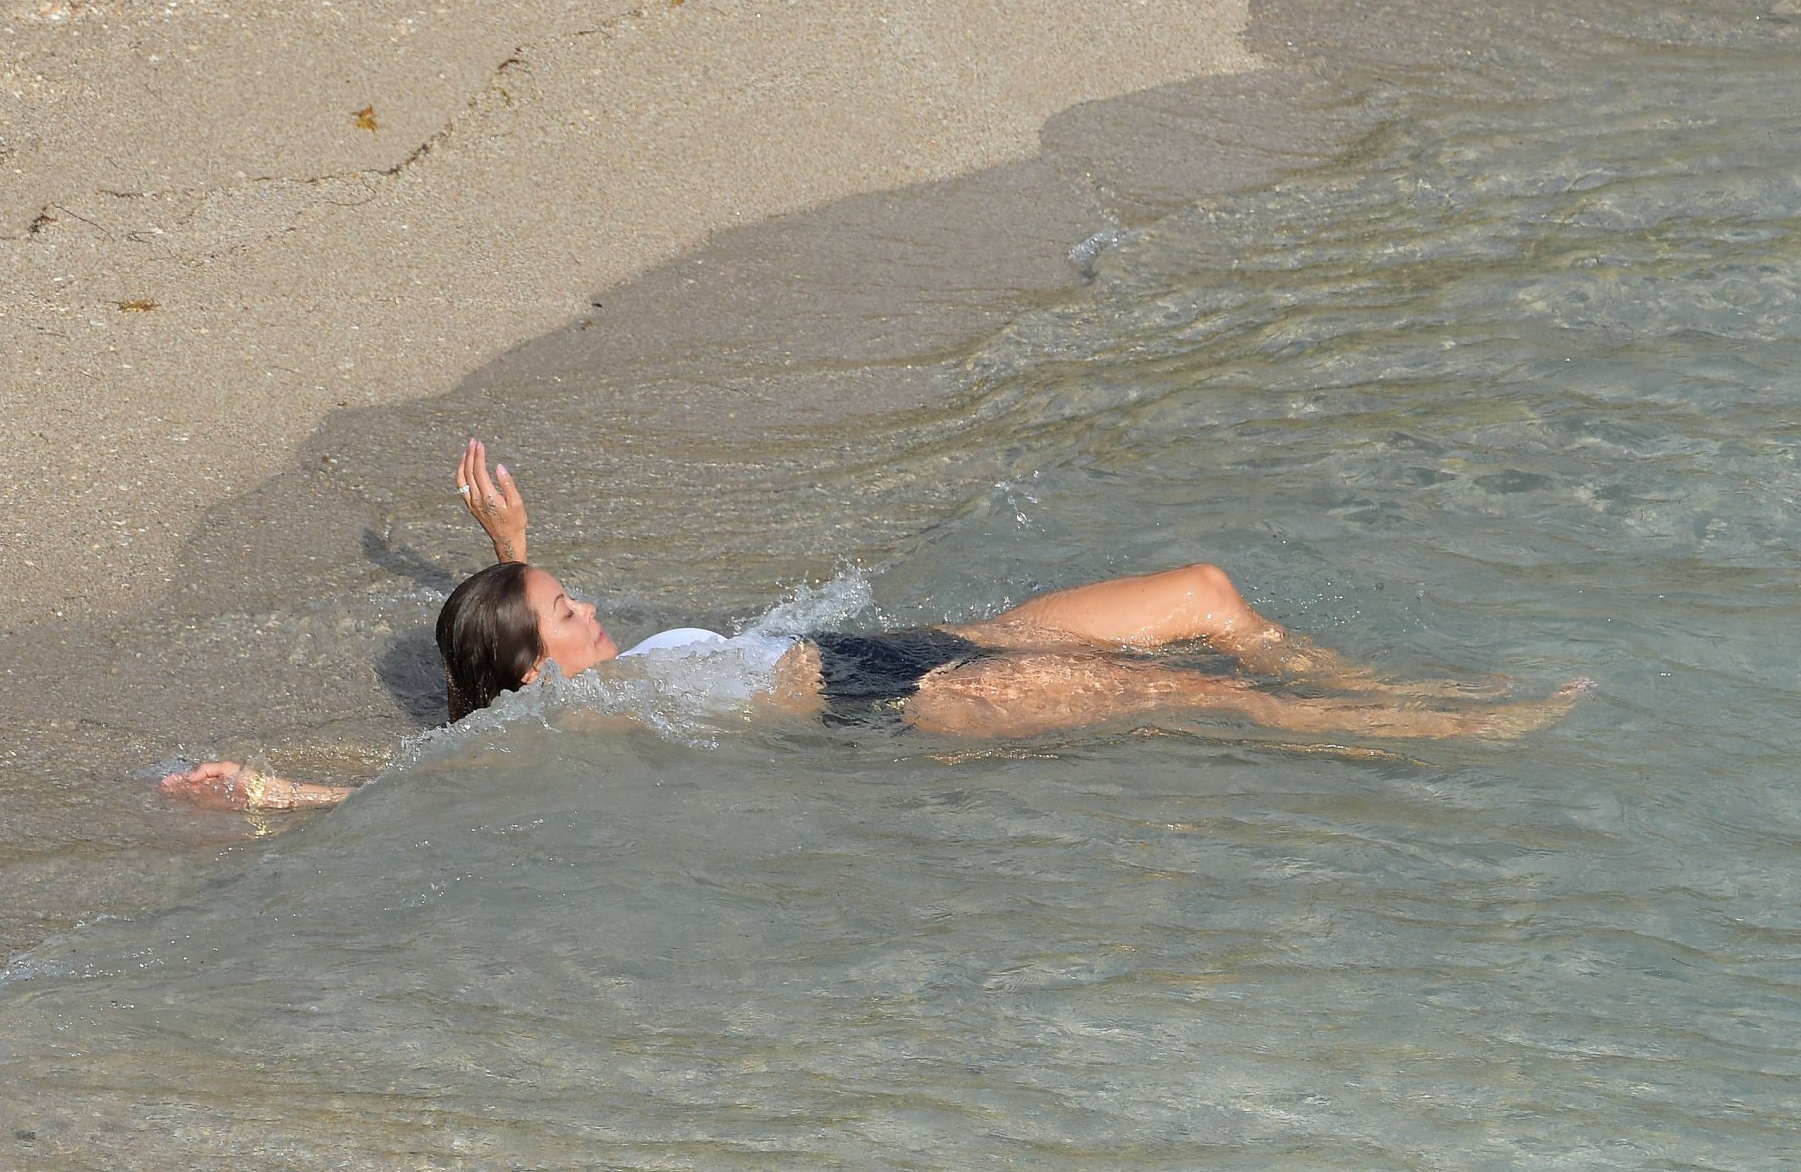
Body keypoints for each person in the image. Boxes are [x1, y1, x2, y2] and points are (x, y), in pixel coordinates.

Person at [162, 439, 1588, 810]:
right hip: (900, 704)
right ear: (535, 671)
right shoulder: (572, 714)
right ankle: (1423, 733)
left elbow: (533, 637)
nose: (586, 606)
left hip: (919, 639)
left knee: (1204, 596)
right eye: (564, 609)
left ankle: (1382, 686)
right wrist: (277, 790)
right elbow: (426, 780)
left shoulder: (605, 665)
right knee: (1191, 693)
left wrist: (511, 552)